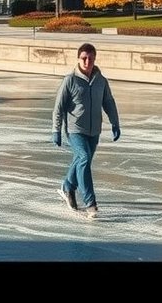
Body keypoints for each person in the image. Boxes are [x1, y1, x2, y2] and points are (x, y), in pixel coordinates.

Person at [51, 43, 121, 219]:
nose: (87, 61)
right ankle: (90, 203)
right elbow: (58, 107)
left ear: (95, 59)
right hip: (75, 130)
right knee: (83, 158)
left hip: (94, 130)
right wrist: (56, 130)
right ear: (78, 59)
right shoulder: (70, 80)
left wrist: (115, 123)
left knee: (82, 161)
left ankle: (67, 186)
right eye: (84, 58)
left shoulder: (101, 81)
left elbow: (109, 102)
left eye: (90, 58)